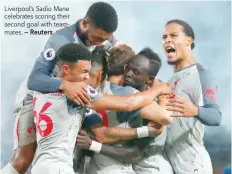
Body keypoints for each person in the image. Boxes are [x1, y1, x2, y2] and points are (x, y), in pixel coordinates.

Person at [1, 2, 118, 174]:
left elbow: (123, 56)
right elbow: (35, 79)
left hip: (69, 100)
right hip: (36, 97)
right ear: (85, 23)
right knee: (23, 160)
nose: (101, 43)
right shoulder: (59, 41)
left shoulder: (107, 40)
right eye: (98, 38)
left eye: (105, 39)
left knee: (67, 158)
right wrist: (64, 85)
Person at [31, 43, 172, 174]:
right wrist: (159, 92)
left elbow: (101, 133)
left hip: (39, 166)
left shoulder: (39, 90)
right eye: (84, 71)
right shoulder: (81, 93)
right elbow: (131, 104)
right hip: (60, 168)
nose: (86, 77)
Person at [77, 46, 174, 174]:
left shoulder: (102, 91)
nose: (128, 74)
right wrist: (160, 94)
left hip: (149, 169)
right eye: (128, 68)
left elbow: (132, 153)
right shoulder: (125, 95)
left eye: (136, 71)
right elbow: (103, 134)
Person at [162, 19, 222, 174]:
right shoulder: (171, 80)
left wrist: (195, 110)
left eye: (174, 35)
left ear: (189, 41)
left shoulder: (201, 73)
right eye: (164, 37)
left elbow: (216, 116)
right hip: (172, 164)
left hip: (193, 165)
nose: (167, 40)